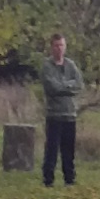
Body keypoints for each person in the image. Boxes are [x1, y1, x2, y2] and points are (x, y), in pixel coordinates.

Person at [40, 32, 85, 187]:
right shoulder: (47, 66)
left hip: (70, 115)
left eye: (62, 45)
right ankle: (48, 180)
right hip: (54, 115)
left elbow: (79, 84)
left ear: (65, 47)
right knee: (51, 150)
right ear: (52, 48)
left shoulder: (71, 65)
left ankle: (69, 180)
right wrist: (68, 86)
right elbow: (52, 88)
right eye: (56, 45)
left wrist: (63, 86)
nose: (59, 48)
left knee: (69, 151)